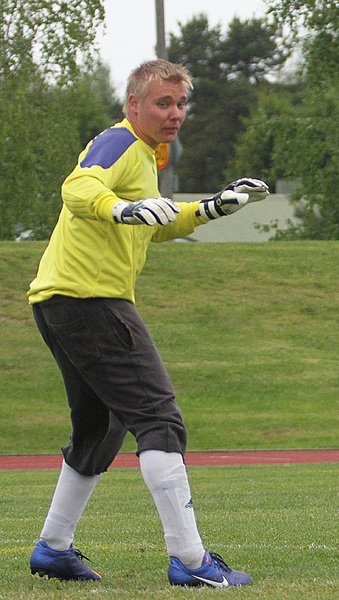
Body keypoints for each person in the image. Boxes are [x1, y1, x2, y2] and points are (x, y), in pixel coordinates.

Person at [26, 59, 269, 587]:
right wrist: (119, 210)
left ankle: (53, 549)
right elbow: (78, 188)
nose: (175, 113)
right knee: (160, 419)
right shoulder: (118, 143)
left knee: (100, 429)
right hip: (90, 301)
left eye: (181, 104)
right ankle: (190, 561)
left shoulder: (143, 156)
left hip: (63, 300)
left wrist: (212, 207)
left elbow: (153, 224)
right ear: (133, 105)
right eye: (164, 103)